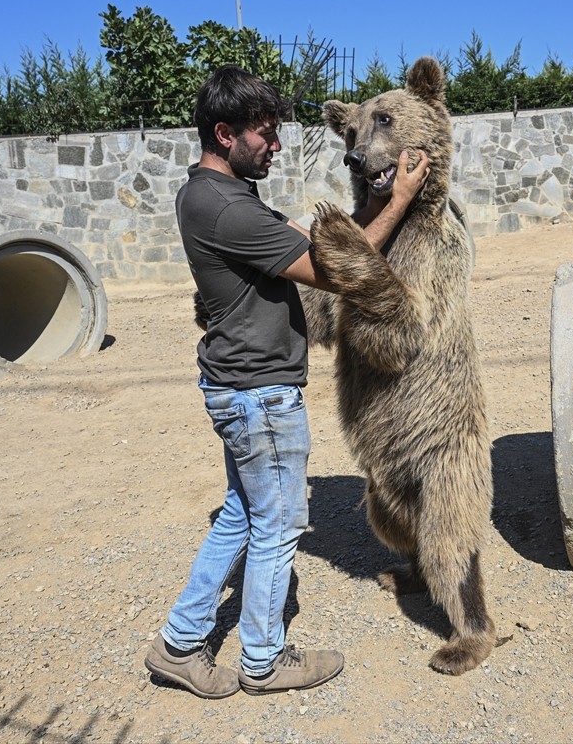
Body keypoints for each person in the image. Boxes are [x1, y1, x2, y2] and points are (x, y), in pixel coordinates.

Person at [144, 64, 429, 700]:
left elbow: (306, 247)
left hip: (234, 384)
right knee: (277, 527)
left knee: (240, 518)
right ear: (224, 133)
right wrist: (399, 200)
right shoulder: (228, 210)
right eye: (265, 135)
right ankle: (266, 661)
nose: (275, 146)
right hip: (260, 394)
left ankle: (178, 643)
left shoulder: (210, 197)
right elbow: (340, 274)